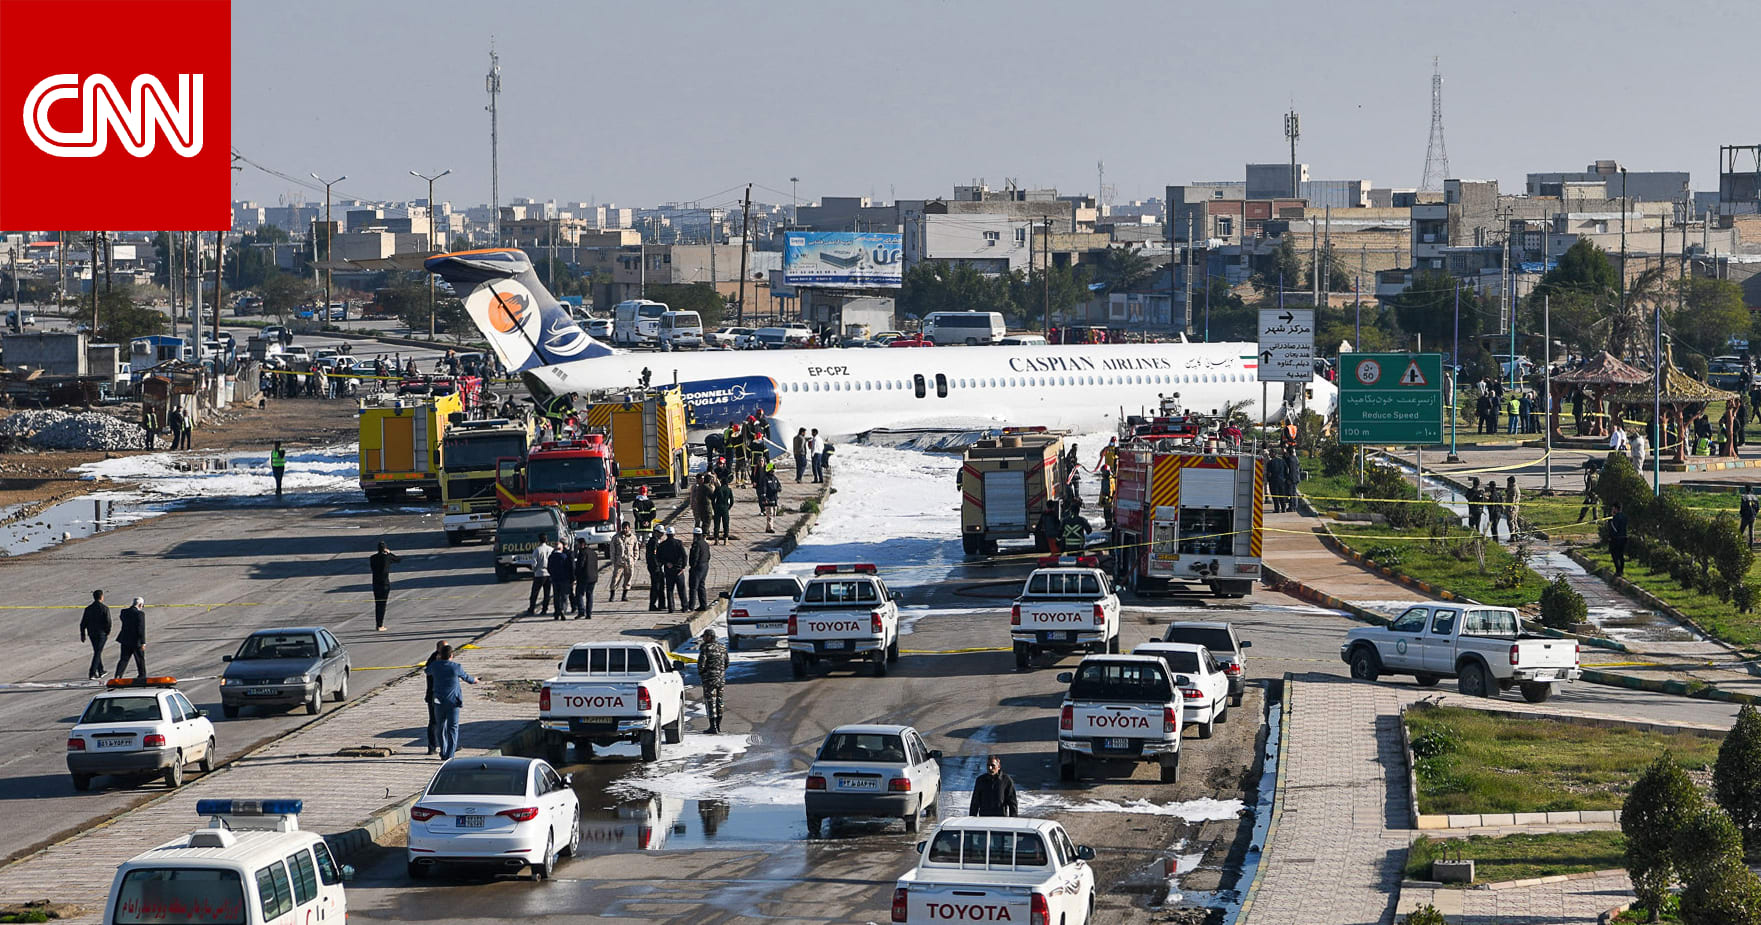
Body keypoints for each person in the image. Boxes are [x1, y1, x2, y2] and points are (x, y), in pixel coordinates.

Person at [424, 644, 477, 760]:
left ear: (440, 655)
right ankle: (450, 754)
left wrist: (437, 661)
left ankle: (443, 751)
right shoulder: (456, 667)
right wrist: (475, 680)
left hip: (438, 701)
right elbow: (467, 678)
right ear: (452, 655)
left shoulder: (435, 666)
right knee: (452, 728)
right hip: (453, 702)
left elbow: (427, 671)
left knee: (440, 727)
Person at [698, 627, 727, 734]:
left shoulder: (705, 648)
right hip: (721, 678)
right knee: (719, 701)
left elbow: (701, 665)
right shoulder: (722, 647)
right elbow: (726, 662)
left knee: (710, 701)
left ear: (709, 637)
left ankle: (713, 726)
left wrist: (702, 673)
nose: (704, 639)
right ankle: (719, 725)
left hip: (709, 679)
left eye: (705, 637)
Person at [422, 639, 447, 755]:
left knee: (443, 721)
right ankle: (432, 747)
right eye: (444, 648)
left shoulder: (441, 659)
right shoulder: (434, 661)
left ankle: (446, 746)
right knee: (434, 721)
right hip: (434, 695)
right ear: (438, 649)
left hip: (440, 695)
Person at [79, 590, 111, 680]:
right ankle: (92, 672)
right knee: (98, 652)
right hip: (101, 633)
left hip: (92, 633)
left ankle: (101, 670)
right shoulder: (104, 608)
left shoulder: (88, 608)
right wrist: (108, 631)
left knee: (97, 650)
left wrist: (83, 634)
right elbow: (108, 621)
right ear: (101, 597)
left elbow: (83, 622)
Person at [369, 541, 400, 631]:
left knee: (377, 604)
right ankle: (380, 625)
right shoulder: (387, 557)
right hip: (384, 583)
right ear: (385, 549)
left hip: (375, 583)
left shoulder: (372, 558)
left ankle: (378, 623)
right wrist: (390, 553)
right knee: (383, 604)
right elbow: (398, 559)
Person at [114, 596, 146, 680]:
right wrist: (143, 642)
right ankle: (142, 676)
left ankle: (118, 676)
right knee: (140, 659)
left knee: (124, 659)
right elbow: (141, 629)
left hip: (125, 639)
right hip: (136, 641)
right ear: (140, 605)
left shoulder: (124, 612)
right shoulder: (140, 614)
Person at [659, 526, 688, 613]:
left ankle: (671, 608)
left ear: (666, 534)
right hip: (678, 570)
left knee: (669, 590)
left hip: (669, 570)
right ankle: (685, 607)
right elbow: (684, 556)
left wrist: (666, 563)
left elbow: (659, 557)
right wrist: (683, 567)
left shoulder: (663, 545)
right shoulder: (678, 543)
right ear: (674, 534)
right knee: (682, 590)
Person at [525, 533, 554, 616]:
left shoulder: (537, 550)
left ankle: (532, 608)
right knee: (547, 593)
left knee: (535, 592)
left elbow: (534, 563)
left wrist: (534, 570)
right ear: (546, 540)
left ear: (539, 540)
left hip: (539, 573)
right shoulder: (550, 549)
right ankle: (545, 609)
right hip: (548, 573)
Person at [608, 522, 637, 602]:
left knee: (628, 578)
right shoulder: (616, 537)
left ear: (629, 528)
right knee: (615, 578)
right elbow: (612, 550)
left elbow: (636, 549)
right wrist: (613, 560)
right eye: (623, 528)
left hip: (629, 562)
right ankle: (612, 595)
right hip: (619, 561)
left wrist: (634, 559)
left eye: (626, 528)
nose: (625, 529)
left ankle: (624, 595)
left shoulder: (633, 538)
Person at [686, 526, 714, 610]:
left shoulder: (696, 544)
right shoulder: (705, 543)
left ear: (695, 535)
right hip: (705, 565)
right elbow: (709, 556)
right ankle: (703, 604)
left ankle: (691, 606)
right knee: (701, 585)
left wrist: (692, 566)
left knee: (693, 587)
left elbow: (695, 556)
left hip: (698, 567)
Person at [572, 537, 598, 618]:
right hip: (593, 577)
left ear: (581, 544)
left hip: (584, 578)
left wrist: (575, 575)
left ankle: (581, 611)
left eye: (578, 544)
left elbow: (580, 565)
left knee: (579, 594)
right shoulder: (593, 552)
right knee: (589, 595)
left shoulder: (582, 553)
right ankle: (589, 613)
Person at [548, 541, 575, 619]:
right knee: (564, 596)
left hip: (555, 579)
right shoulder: (564, 557)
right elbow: (569, 568)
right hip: (564, 579)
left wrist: (552, 575)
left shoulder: (551, 557)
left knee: (556, 596)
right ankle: (563, 610)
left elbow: (549, 568)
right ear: (561, 548)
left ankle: (556, 612)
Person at [646, 525, 667, 611]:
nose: (662, 535)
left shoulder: (656, 541)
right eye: (661, 533)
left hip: (657, 567)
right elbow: (653, 557)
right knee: (656, 586)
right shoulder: (653, 542)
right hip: (654, 568)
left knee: (661, 585)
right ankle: (652, 604)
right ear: (656, 532)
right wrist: (657, 567)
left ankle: (662, 604)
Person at [758, 462, 782, 533]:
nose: (773, 472)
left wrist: (779, 488)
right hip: (768, 499)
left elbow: (778, 485)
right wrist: (764, 497)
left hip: (774, 498)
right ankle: (770, 528)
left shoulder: (775, 478)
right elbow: (764, 488)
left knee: (773, 513)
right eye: (772, 470)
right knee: (770, 514)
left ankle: (768, 528)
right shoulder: (765, 479)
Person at [711, 474, 735, 544]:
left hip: (718, 507)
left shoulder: (718, 489)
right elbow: (732, 501)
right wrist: (728, 508)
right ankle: (725, 540)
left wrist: (714, 507)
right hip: (725, 508)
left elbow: (713, 499)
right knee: (726, 524)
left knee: (717, 524)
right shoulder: (729, 490)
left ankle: (716, 540)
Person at [1609, 501, 1630, 577]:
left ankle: (1618, 570)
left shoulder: (1615, 518)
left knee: (1614, 555)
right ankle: (1621, 570)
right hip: (1624, 537)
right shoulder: (1625, 517)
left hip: (1616, 539)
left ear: (1615, 508)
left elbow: (1614, 528)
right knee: (1621, 555)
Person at [1505, 476, 1521, 540]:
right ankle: (1516, 534)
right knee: (1515, 521)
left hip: (1512, 508)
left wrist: (1510, 509)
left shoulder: (1512, 490)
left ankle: (1513, 536)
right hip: (1516, 507)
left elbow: (1512, 500)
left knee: (1510, 522)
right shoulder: (1515, 487)